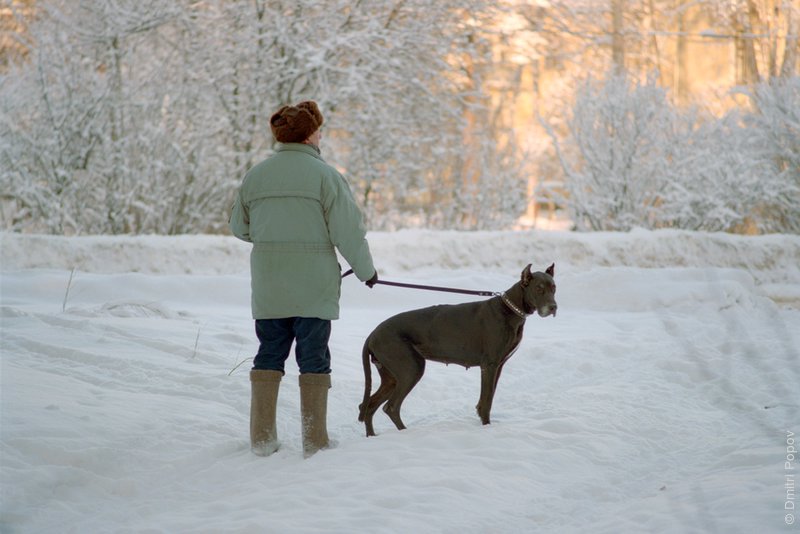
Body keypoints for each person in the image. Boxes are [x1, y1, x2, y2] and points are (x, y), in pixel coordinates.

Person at [230, 100, 378, 458]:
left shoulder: (256, 175)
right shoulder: (326, 176)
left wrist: (272, 242)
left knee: (269, 353)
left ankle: (262, 439)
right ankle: (315, 441)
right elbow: (348, 231)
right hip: (314, 287)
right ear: (311, 135)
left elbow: (239, 227)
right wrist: (366, 271)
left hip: (269, 285)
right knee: (313, 357)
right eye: (319, 130)